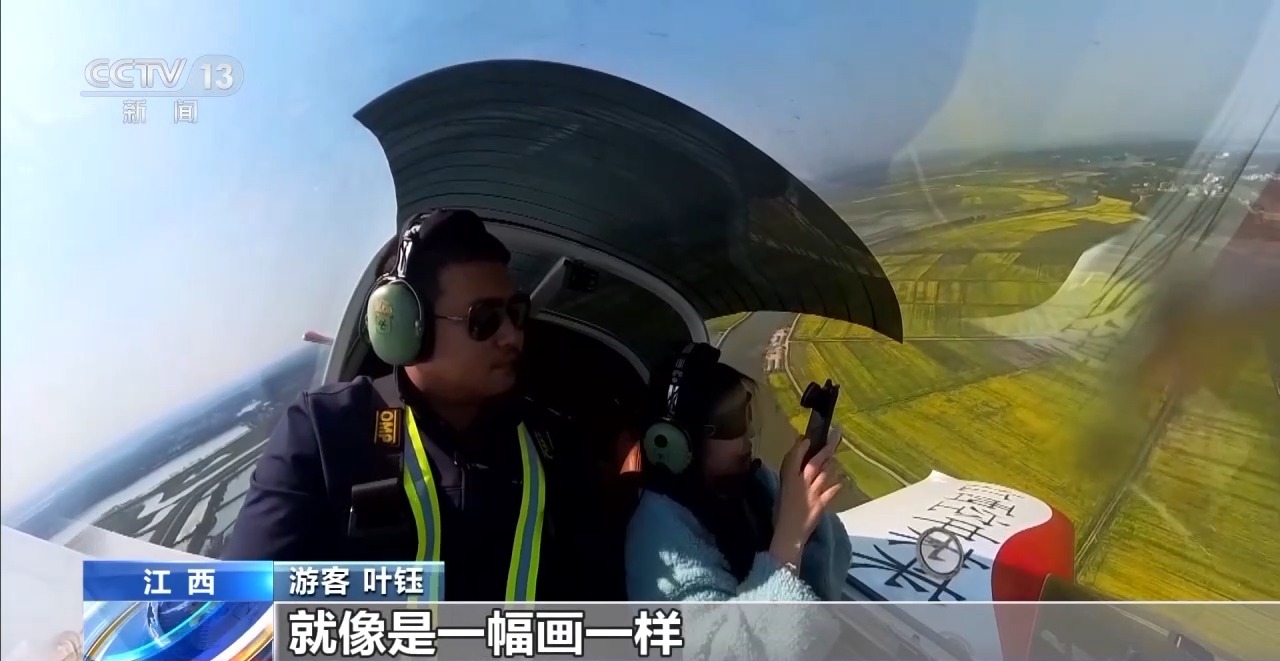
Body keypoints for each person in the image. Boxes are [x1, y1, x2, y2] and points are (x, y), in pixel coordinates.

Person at [223, 209, 618, 601]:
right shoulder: (324, 432)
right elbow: (244, 608)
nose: (513, 336)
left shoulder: (557, 445)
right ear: (406, 328)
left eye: (515, 314)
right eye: (484, 320)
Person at [625, 342, 853, 655]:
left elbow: (831, 572)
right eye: (733, 422)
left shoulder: (750, 483)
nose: (748, 434)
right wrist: (788, 538)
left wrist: (801, 511)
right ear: (676, 442)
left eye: (747, 414)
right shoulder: (656, 544)